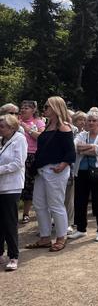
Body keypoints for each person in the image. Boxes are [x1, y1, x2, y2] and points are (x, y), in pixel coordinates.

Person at [27, 96, 75, 252]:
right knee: (39, 204)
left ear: (55, 107)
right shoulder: (48, 126)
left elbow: (70, 152)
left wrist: (62, 165)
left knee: (56, 204)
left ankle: (61, 236)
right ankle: (45, 237)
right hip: (43, 170)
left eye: (47, 106)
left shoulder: (63, 127)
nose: (44, 108)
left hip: (55, 170)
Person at [69, 109, 98, 242]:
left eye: (94, 120)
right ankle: (81, 229)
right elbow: (75, 147)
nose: (91, 123)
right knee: (80, 201)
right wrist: (92, 148)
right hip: (81, 172)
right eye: (89, 120)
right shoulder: (82, 134)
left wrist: (85, 149)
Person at [0, 114, 28, 270]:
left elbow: (17, 163)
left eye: (2, 126)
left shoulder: (19, 139)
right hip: (0, 186)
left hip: (11, 187)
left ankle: (13, 256)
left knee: (10, 222)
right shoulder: (1, 140)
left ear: (11, 127)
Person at [18, 100, 45, 224]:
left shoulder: (38, 122)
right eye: (22, 107)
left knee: (29, 185)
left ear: (33, 110)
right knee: (17, 184)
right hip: (17, 155)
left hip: (32, 155)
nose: (23, 110)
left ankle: (26, 213)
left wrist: (27, 129)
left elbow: (42, 137)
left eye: (27, 108)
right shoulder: (15, 120)